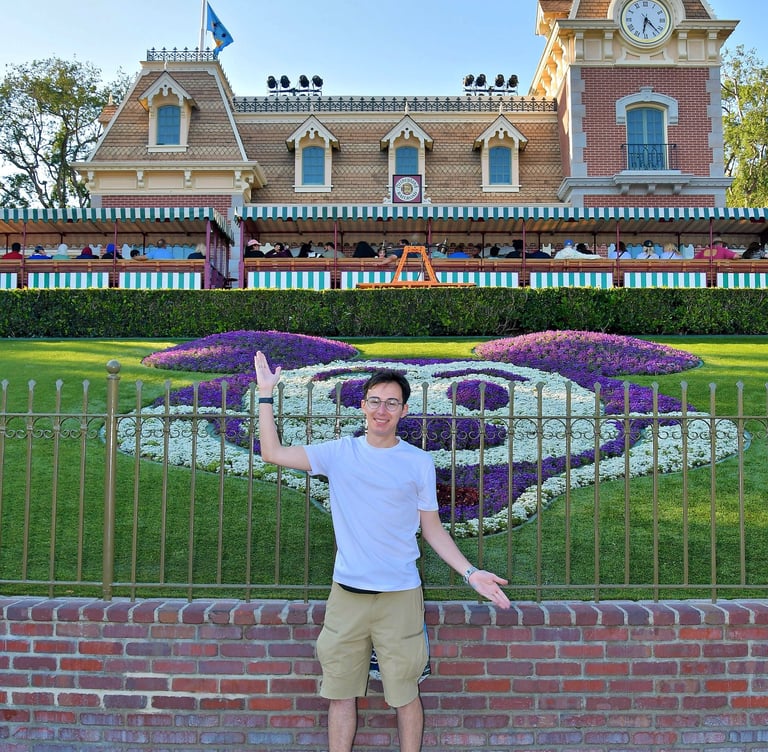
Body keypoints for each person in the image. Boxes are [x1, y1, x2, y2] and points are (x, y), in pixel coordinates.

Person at [253, 352, 511, 752]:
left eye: (392, 402)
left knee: (405, 694)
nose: (381, 409)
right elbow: (272, 452)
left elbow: (432, 529)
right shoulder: (338, 453)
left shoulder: (417, 462)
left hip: (400, 598)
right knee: (340, 693)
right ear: (363, 405)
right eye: (375, 400)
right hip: (347, 597)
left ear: (403, 410)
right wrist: (265, 396)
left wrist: (469, 571)